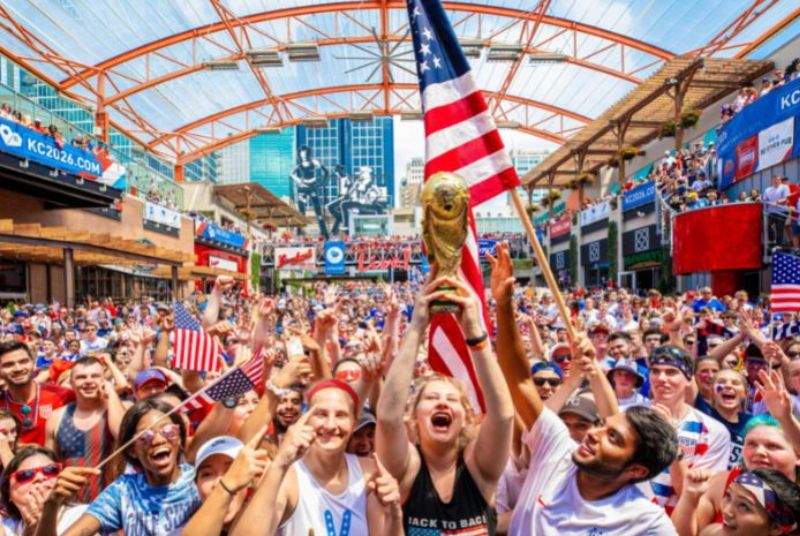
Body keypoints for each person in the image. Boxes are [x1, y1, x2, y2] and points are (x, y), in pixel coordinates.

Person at [376, 274, 513, 534]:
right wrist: (416, 326)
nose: (442, 403)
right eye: (430, 398)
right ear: (414, 417)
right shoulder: (408, 469)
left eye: (452, 400)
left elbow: (503, 416)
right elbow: (387, 417)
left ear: (466, 418)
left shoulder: (479, 468)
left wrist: (474, 333)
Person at [234, 380, 403, 535]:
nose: (330, 425)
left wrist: (395, 514)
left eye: (341, 415)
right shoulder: (288, 477)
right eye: (321, 414)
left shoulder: (368, 474)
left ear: (353, 423)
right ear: (306, 420)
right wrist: (279, 464)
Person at [50, 398, 201, 535]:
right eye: (145, 436)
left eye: (168, 431)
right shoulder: (124, 490)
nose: (159, 440)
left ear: (180, 438)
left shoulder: (198, 482)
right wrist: (51, 503)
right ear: (132, 450)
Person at [646, 345, 730, 512]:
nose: (661, 378)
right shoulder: (628, 416)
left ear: (688, 378)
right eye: (655, 371)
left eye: (671, 372)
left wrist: (670, 438)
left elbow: (692, 495)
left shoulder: (714, 431)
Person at [44, 357, 124, 502]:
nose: (88, 381)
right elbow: (49, 466)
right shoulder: (56, 417)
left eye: (95, 376)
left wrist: (111, 394)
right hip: (70, 507)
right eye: (81, 377)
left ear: (104, 380)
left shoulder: (118, 408)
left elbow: (122, 435)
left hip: (112, 504)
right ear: (72, 383)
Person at [0, 341, 74, 446]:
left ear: (33, 363)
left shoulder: (63, 396)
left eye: (23, 361)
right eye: (8, 365)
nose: (18, 369)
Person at [763, 175, 790, 246]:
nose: (776, 181)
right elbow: (764, 198)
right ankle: (772, 239)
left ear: (780, 180)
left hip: (782, 211)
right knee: (765, 224)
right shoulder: (768, 189)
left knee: (779, 228)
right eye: (774, 180)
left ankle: (778, 245)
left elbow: (786, 199)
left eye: (778, 180)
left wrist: (777, 202)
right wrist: (759, 199)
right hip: (771, 212)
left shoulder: (784, 187)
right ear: (772, 181)